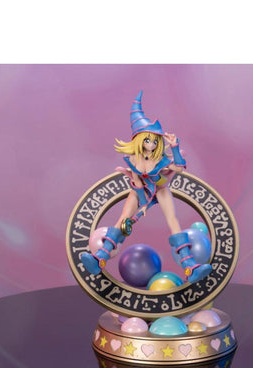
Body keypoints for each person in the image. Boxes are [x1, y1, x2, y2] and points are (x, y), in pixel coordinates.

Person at [81, 91, 212, 283]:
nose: (151, 144)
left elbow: (179, 167)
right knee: (122, 220)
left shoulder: (160, 159)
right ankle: (99, 258)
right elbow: (137, 183)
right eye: (147, 140)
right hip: (139, 191)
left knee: (173, 221)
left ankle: (190, 266)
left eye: (154, 140)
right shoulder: (133, 159)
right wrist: (142, 205)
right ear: (138, 140)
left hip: (161, 189)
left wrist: (174, 147)